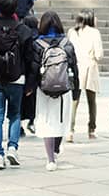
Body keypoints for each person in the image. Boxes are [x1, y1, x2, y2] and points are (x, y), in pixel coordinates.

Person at [0, 0, 36, 171]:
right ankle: (12, 147)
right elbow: (30, 59)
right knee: (15, 115)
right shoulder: (23, 31)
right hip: (17, 78)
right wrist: (29, 83)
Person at [29, 12, 79, 171]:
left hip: (44, 89)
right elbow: (74, 68)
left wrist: (30, 87)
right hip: (64, 89)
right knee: (61, 120)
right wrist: (76, 89)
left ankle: (50, 159)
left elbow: (34, 69)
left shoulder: (37, 44)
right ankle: (56, 147)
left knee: (47, 122)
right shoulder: (67, 44)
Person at [68, 9, 103, 141]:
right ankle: (91, 129)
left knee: (74, 101)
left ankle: (70, 130)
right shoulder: (94, 33)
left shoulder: (72, 32)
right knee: (91, 101)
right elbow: (99, 55)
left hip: (76, 67)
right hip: (90, 68)